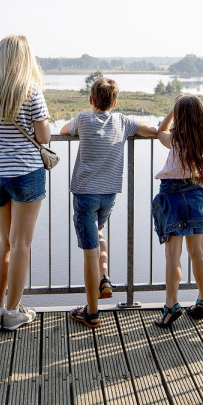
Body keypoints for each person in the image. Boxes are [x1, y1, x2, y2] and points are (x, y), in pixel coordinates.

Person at [59, 77, 157, 328]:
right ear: (115, 102)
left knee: (89, 252)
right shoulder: (123, 121)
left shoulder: (82, 119)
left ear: (91, 100)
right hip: (109, 195)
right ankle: (104, 278)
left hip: (85, 196)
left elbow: (62, 131)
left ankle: (91, 313)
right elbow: (151, 130)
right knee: (99, 232)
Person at [0, 35, 51, 331]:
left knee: (5, 242)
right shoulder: (30, 90)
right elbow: (44, 138)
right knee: (21, 244)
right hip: (26, 173)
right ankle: (14, 312)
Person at [150, 95, 203, 328]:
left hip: (172, 194)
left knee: (173, 256)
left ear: (179, 116)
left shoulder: (174, 139)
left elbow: (161, 129)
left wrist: (173, 111)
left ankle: (171, 305)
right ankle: (202, 298)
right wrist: (200, 119)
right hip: (195, 193)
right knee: (197, 252)